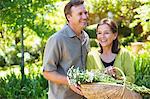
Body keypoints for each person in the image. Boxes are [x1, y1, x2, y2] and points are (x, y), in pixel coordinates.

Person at [42, 0, 89, 99]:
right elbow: (47, 72)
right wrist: (69, 81)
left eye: (85, 13)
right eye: (80, 14)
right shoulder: (57, 39)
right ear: (69, 17)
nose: (85, 17)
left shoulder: (86, 37)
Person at [86, 18, 135, 83]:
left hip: (120, 92)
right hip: (98, 93)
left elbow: (131, 79)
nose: (102, 36)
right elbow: (88, 78)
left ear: (115, 35)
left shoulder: (124, 54)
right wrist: (103, 74)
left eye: (106, 33)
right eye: (99, 33)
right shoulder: (91, 56)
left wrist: (116, 77)